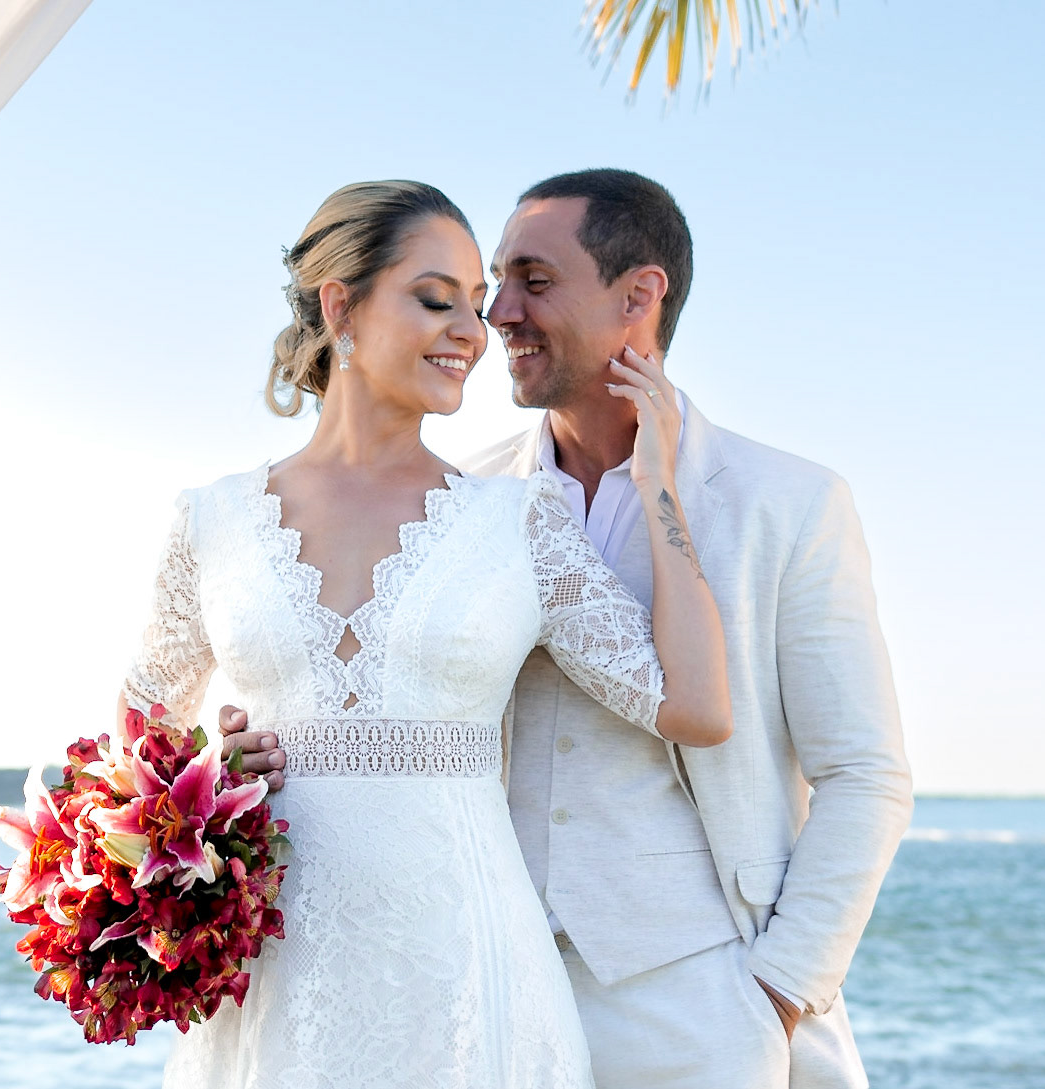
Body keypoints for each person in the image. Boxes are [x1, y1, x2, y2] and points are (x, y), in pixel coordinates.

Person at [226, 169, 914, 1088]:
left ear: (639, 295)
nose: (497, 314)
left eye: (531, 281)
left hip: (695, 1001)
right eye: (489, 286)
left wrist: (779, 993)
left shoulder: (787, 504)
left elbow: (865, 774)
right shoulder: (465, 499)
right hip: (477, 989)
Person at [125, 179, 733, 1088]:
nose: (473, 331)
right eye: (434, 299)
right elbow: (137, 743)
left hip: (470, 990)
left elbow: (694, 706)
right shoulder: (210, 521)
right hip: (274, 988)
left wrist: (661, 483)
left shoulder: (518, 521)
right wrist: (214, 776)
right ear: (342, 306)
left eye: (475, 308)